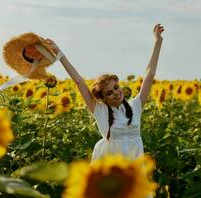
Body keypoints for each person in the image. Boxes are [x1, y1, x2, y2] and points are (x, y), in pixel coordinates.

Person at [45, 23, 164, 163]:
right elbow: (78, 81)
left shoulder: (135, 106)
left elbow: (149, 75)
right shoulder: (99, 110)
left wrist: (158, 41)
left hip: (134, 168)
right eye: (109, 93)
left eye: (116, 87)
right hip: (110, 168)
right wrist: (59, 53)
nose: (116, 93)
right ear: (103, 99)